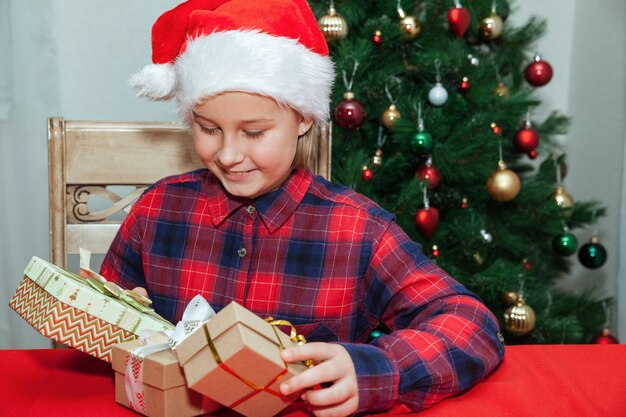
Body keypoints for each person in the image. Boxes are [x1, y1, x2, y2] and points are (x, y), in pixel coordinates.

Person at [99, 0, 505, 415]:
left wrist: (378, 368)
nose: (228, 154)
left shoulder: (358, 230)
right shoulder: (158, 209)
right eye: (208, 129)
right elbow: (103, 316)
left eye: (254, 132)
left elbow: (473, 325)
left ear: (304, 119)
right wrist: (116, 320)